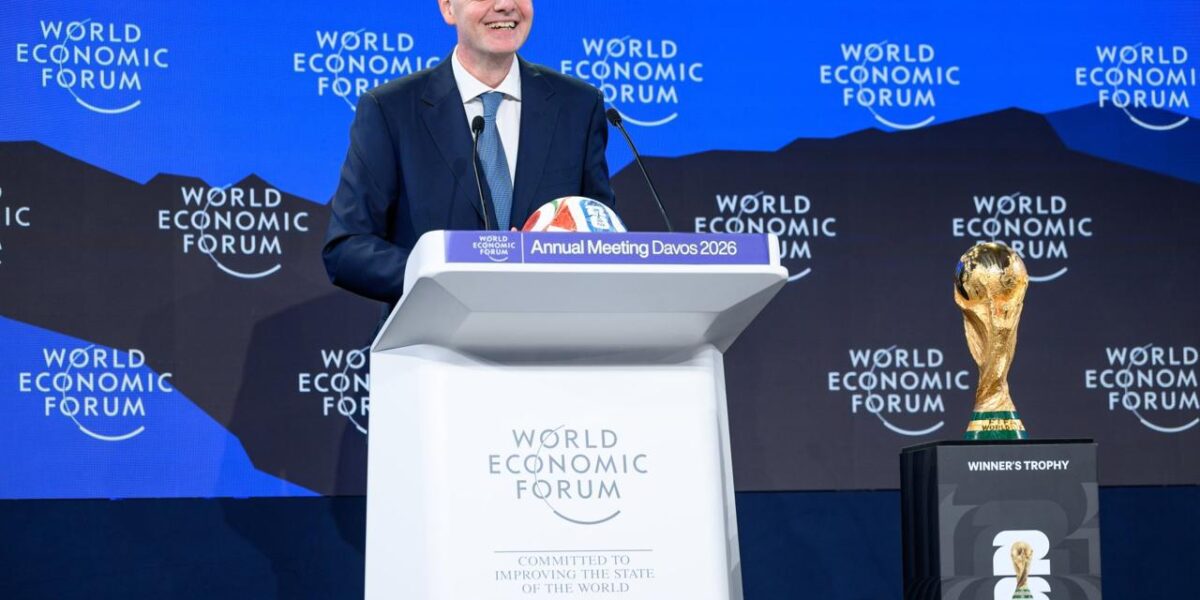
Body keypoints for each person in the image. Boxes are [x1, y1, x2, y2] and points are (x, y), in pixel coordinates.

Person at [322, 0, 615, 307]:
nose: (505, 5)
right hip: (435, 330)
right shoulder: (391, 109)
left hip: (547, 328)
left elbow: (605, 238)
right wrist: (446, 277)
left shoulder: (578, 106)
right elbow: (346, 248)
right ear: (448, 8)